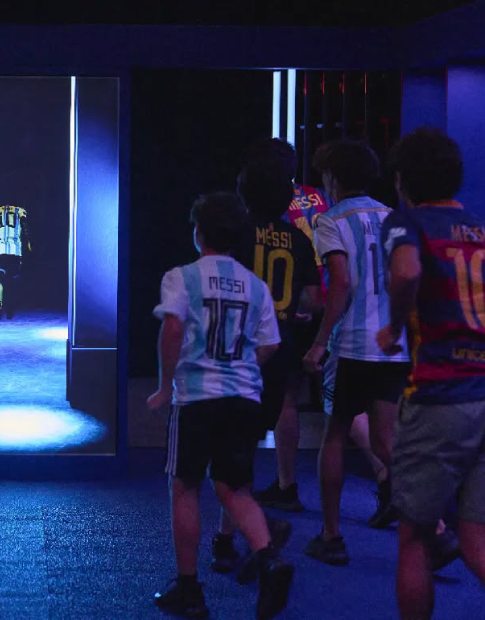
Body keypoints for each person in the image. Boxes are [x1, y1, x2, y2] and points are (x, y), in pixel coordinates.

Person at [379, 127, 485, 619]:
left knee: (415, 536)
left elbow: (407, 270)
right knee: (484, 545)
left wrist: (394, 327)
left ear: (402, 180)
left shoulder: (407, 222)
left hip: (441, 395)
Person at [148, 193, 293, 619]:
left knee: (185, 486)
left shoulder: (182, 277)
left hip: (197, 397)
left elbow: (172, 329)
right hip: (244, 399)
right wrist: (241, 370)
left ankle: (189, 589)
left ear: (198, 232)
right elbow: (270, 344)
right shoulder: (256, 285)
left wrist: (165, 384)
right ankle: (269, 559)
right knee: (234, 486)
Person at [243, 138, 386, 513]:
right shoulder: (318, 198)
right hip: (327, 305)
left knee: (289, 399)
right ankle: (384, 473)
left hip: (290, 310)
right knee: (342, 400)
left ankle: (286, 484)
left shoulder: (267, 205)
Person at [209, 157, 322, 577]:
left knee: (227, 453)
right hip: (279, 352)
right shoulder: (298, 239)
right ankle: (232, 537)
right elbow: (314, 299)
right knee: (242, 451)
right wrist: (295, 313)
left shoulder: (236, 233)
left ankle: (249, 536)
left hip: (237, 351)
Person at [300, 140, 409, 565]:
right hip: (391, 345)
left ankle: (331, 536)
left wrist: (319, 342)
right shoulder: (394, 217)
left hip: (351, 344)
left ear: (333, 178)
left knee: (335, 434)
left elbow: (341, 283)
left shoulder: (332, 220)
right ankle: (437, 528)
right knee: (386, 441)